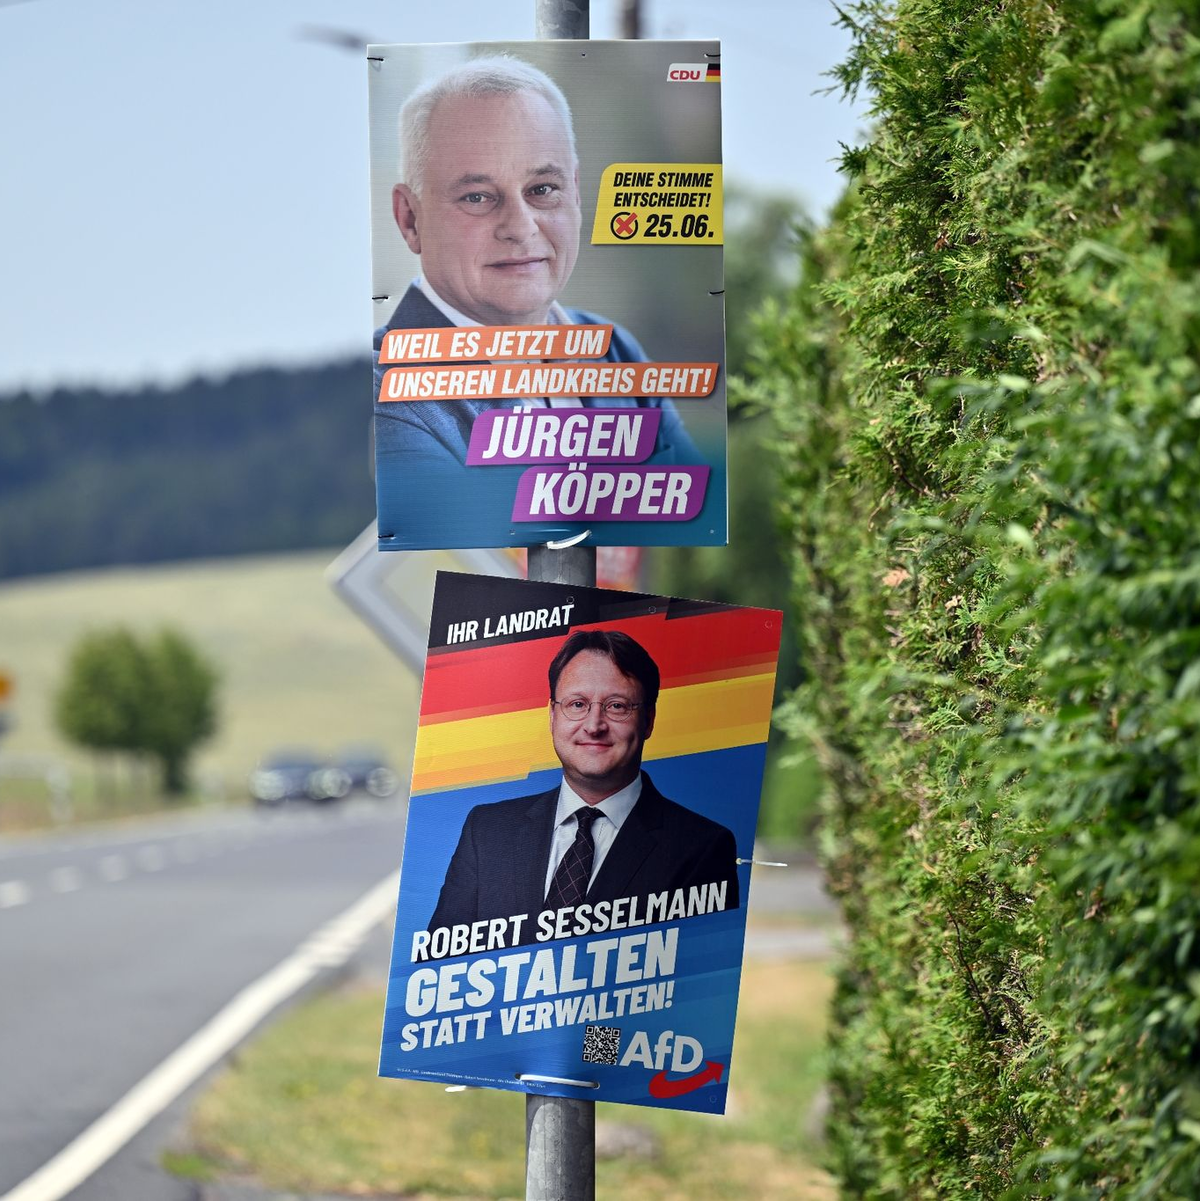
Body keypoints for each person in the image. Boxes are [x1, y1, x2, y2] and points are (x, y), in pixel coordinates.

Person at [372, 56, 702, 546]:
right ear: (410, 219)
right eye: (478, 196)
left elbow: (693, 524)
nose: (520, 227)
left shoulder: (616, 352)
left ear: (577, 194)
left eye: (542, 189)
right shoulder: (388, 393)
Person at [427, 629, 741, 939]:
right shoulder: (487, 830)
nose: (594, 725)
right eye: (577, 704)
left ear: (648, 720)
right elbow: (442, 964)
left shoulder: (703, 848)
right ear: (552, 716)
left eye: (617, 706)